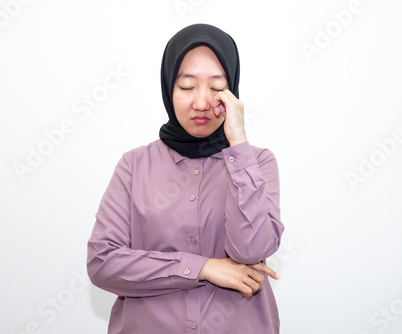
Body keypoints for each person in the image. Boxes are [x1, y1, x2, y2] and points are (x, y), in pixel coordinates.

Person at [87, 23, 284, 334]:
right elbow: (103, 264)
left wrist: (239, 145)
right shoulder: (135, 165)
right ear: (169, 88)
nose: (202, 103)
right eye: (187, 87)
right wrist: (204, 267)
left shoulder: (256, 162)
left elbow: (250, 250)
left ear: (232, 91)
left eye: (217, 87)